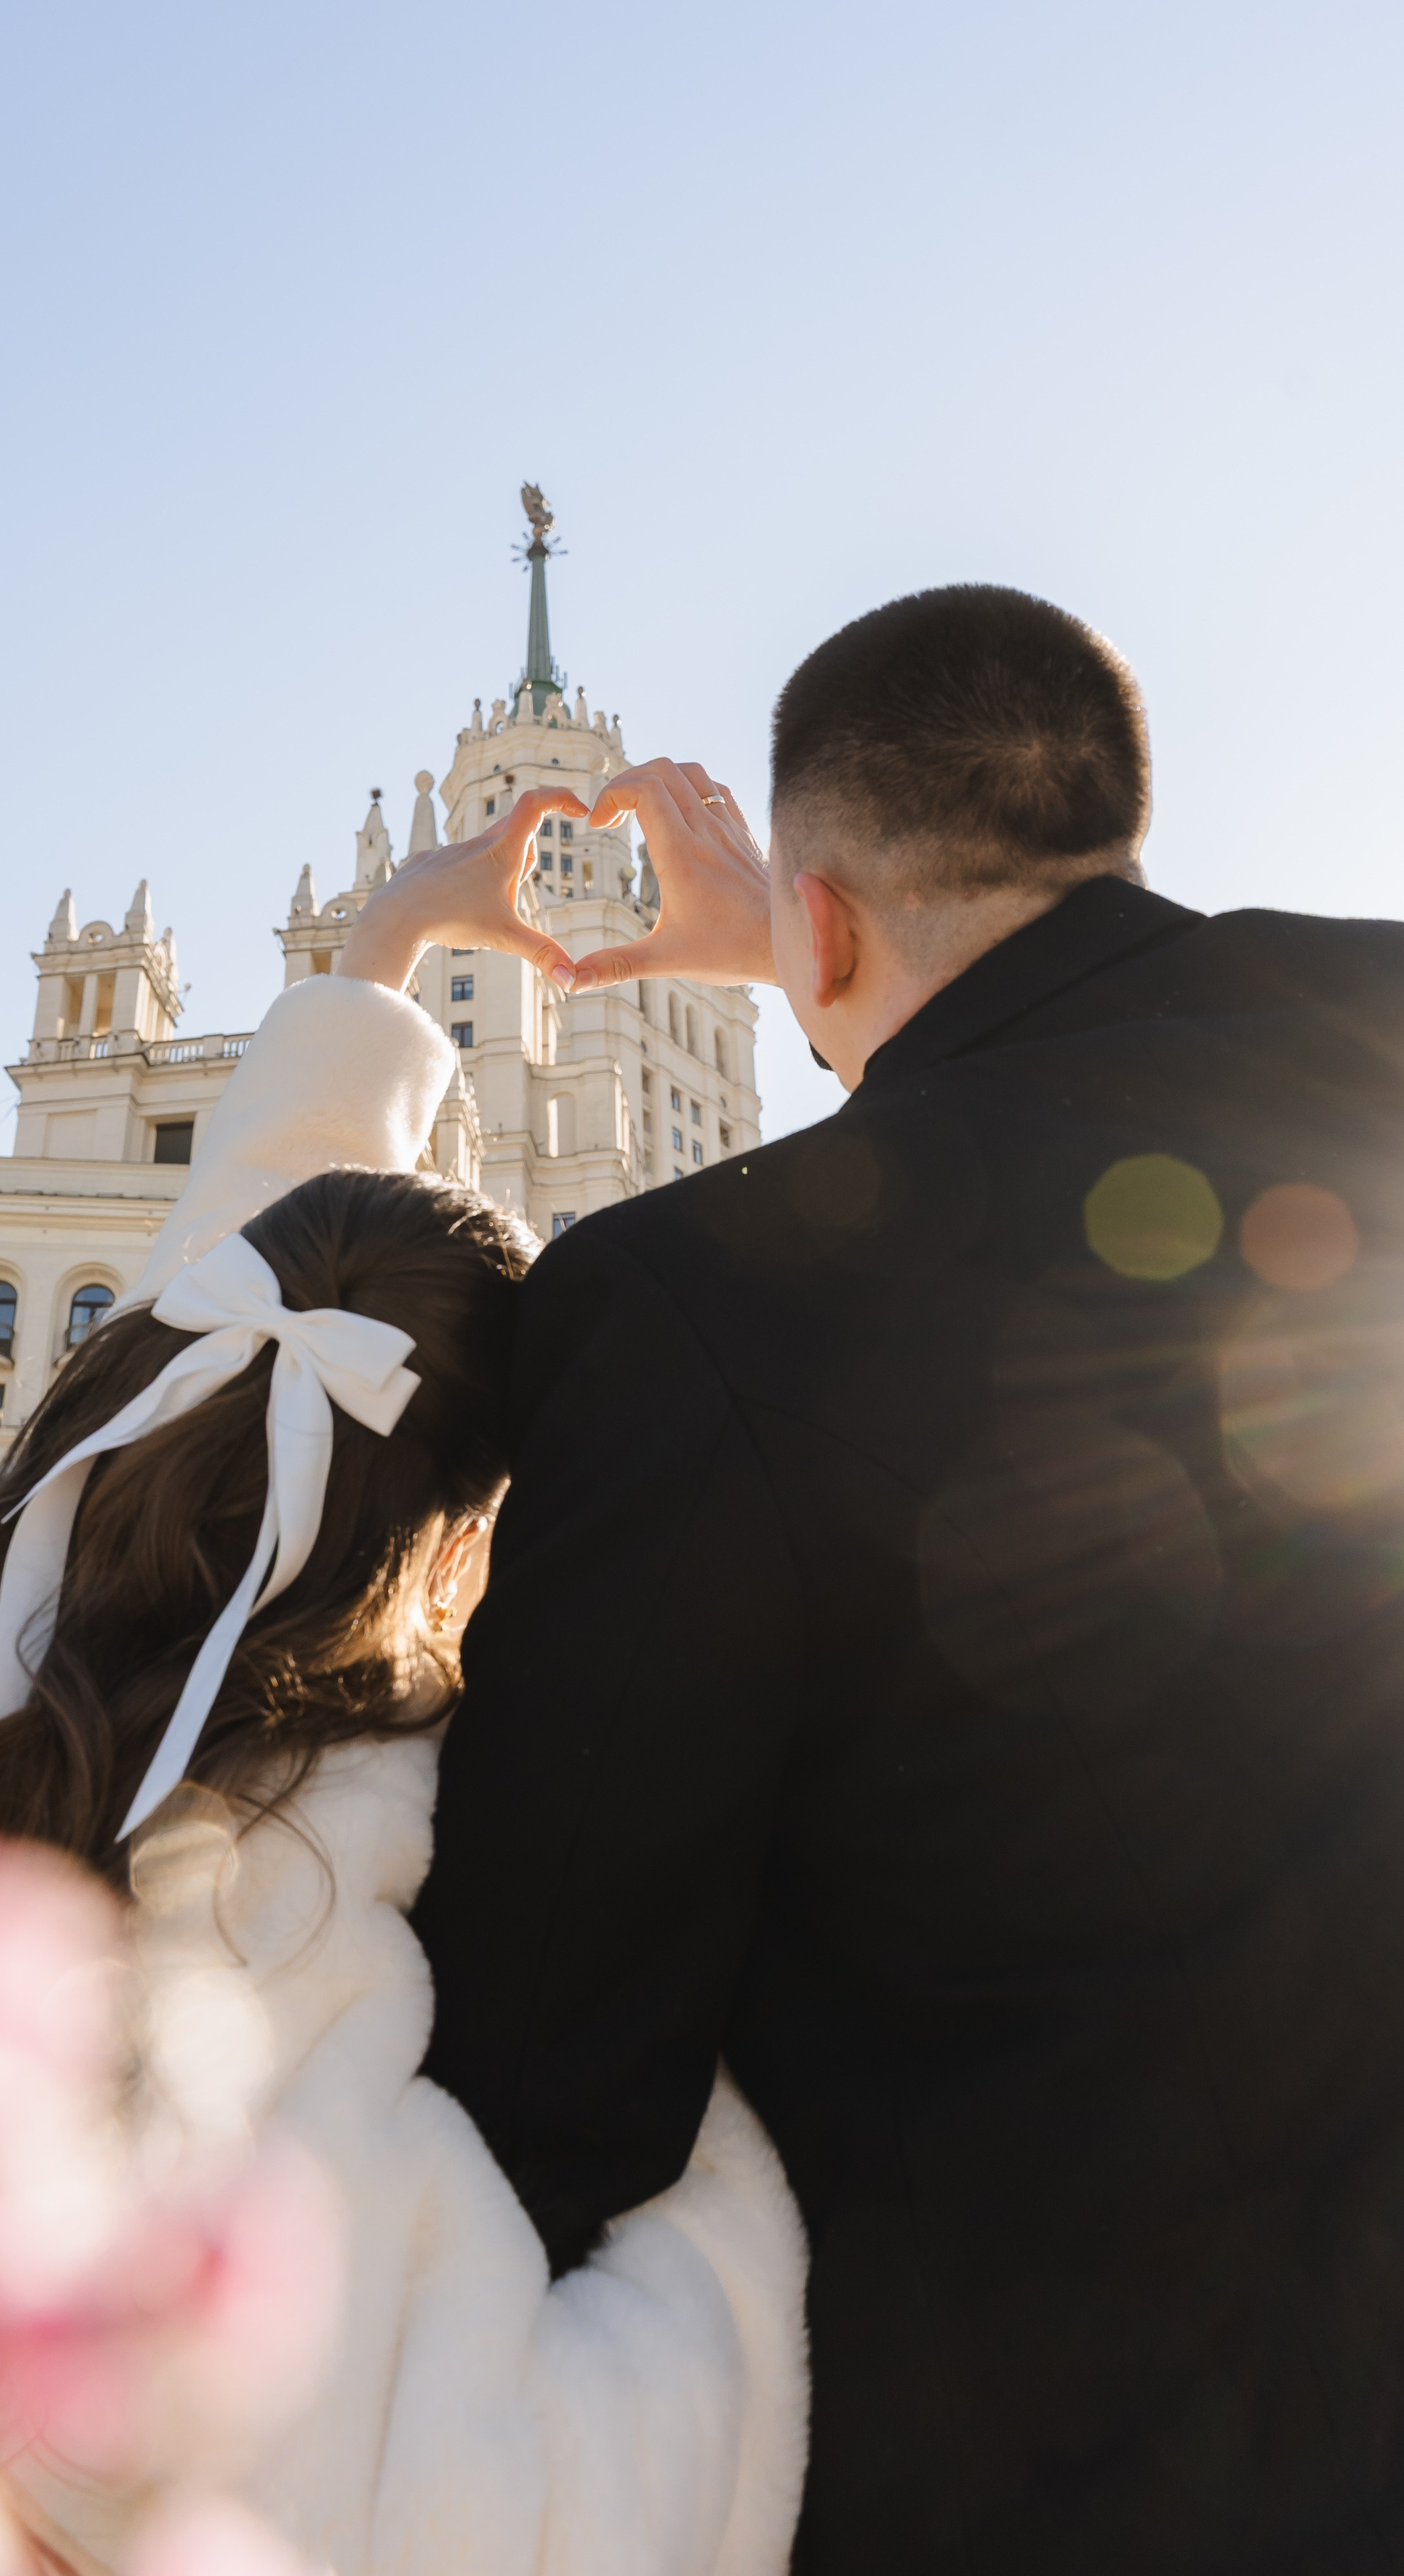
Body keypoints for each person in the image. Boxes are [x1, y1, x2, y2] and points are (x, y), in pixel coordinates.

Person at [412, 584, 1404, 2573]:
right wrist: (827, 939)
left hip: (1064, 2472)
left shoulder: (690, 1301)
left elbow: (552, 2077)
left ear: (831, 923)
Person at [0, 794, 807, 2576]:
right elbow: (470, 2509)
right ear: (466, 1523)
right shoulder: (333, 1867)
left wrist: (373, 966)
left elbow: (259, 1306)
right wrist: (723, 2233)